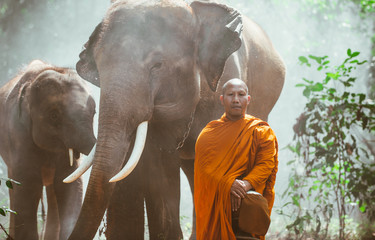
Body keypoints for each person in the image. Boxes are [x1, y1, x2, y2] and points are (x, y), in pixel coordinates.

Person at [194, 78, 279, 240]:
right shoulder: (209, 133)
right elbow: (204, 169)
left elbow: (266, 163)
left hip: (248, 204)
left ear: (248, 99)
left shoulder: (260, 130)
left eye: (241, 95)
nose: (235, 100)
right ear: (222, 99)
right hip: (217, 205)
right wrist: (228, 184)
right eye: (230, 95)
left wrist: (244, 186)